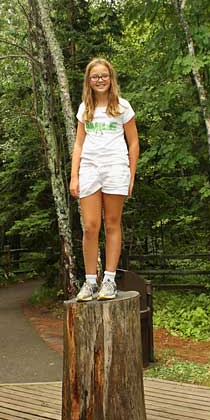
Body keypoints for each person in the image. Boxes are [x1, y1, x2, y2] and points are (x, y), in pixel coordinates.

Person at [70, 57, 139, 301]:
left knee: (112, 222)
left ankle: (109, 280)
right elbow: (78, 143)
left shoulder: (122, 107)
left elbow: (133, 142)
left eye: (104, 76)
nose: (100, 80)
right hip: (89, 168)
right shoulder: (84, 109)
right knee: (90, 226)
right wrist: (74, 176)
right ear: (89, 81)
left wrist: (131, 174)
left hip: (116, 168)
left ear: (111, 79)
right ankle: (90, 282)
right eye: (95, 76)